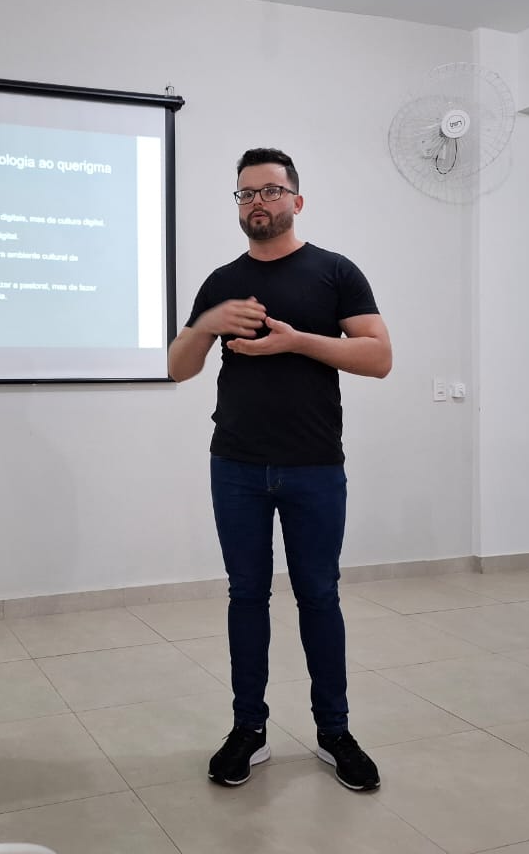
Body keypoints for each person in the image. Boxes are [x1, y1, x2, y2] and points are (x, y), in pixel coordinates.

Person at [168, 148, 391, 791]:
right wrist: (206, 324)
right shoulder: (222, 281)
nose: (257, 202)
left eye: (269, 190)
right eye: (246, 194)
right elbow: (179, 368)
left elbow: (378, 357)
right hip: (236, 465)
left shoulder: (335, 272)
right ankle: (249, 730)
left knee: (319, 595)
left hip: (314, 465)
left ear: (297, 199)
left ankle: (334, 732)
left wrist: (297, 342)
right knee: (246, 596)